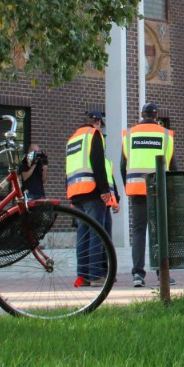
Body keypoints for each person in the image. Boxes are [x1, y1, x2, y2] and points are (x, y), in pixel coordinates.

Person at [120, 102, 176, 287]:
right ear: (156, 116)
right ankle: (162, 274)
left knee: (138, 231)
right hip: (159, 190)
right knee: (159, 231)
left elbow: (122, 165)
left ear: (141, 115)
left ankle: (138, 274)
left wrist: (128, 186)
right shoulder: (165, 135)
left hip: (136, 189)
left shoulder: (129, 134)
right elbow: (173, 166)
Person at [65, 111, 117, 287]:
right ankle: (96, 275)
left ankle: (83, 276)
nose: (100, 127)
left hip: (76, 191)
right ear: (97, 122)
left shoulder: (73, 139)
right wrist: (104, 190)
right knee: (97, 232)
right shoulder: (93, 134)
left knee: (83, 234)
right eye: (100, 124)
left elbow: (69, 168)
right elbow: (97, 162)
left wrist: (70, 195)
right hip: (92, 191)